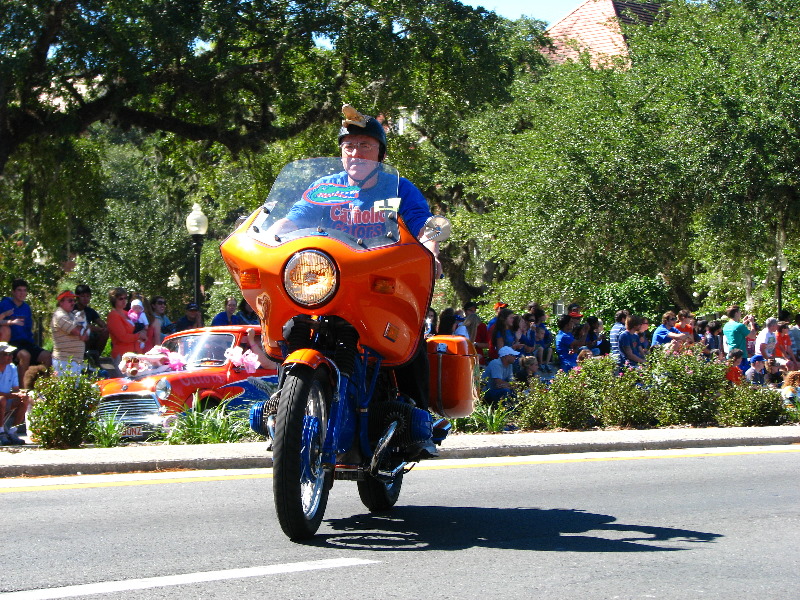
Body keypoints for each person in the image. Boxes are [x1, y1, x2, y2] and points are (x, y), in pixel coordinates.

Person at [0, 279, 52, 387]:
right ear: (13, 292)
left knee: (47, 356)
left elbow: (28, 329)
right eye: (19, 290)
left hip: (25, 342)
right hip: (10, 342)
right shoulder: (5, 304)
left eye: (24, 290)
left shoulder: (26, 307)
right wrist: (10, 322)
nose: (22, 293)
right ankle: (22, 388)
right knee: (25, 355)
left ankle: (44, 388)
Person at [51, 290, 89, 375]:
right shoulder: (60, 316)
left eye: (74, 300)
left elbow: (85, 335)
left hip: (75, 360)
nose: (73, 303)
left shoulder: (71, 315)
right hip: (64, 361)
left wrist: (83, 331)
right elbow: (77, 331)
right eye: (70, 300)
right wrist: (82, 330)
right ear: (61, 302)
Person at [106, 287, 147, 362]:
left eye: (125, 298)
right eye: (120, 299)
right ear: (114, 300)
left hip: (136, 354)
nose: (124, 301)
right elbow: (123, 337)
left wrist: (143, 331)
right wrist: (139, 335)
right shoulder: (113, 315)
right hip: (123, 356)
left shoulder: (127, 313)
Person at [0, 342, 27, 445]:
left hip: (5, 401)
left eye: (11, 354)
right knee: (1, 399)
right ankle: (1, 432)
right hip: (2, 401)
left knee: (24, 399)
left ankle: (12, 432)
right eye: (7, 354)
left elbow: (15, 389)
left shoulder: (12, 367)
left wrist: (21, 394)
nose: (11, 356)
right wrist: (14, 395)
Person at [74, 284, 109, 363]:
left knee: (105, 332)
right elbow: (84, 326)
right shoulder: (73, 309)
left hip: (91, 337)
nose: (85, 299)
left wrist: (104, 327)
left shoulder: (90, 311)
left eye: (88, 296)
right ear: (77, 297)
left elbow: (99, 321)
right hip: (78, 338)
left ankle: (96, 356)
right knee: (86, 331)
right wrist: (98, 329)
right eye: (83, 296)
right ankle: (85, 356)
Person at [722, 305, 758, 369]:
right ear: (736, 313)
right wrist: (752, 323)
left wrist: (743, 323)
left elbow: (736, 333)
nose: (740, 314)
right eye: (739, 312)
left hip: (731, 353)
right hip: (740, 356)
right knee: (741, 375)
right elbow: (753, 336)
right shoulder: (740, 326)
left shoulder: (726, 326)